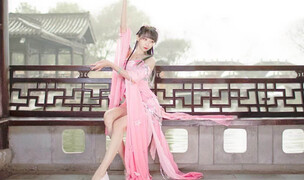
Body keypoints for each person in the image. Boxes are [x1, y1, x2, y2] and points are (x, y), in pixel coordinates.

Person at [90, 0, 234, 179]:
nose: (147, 43)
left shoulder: (150, 60)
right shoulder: (128, 53)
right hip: (131, 103)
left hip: (146, 106)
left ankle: (100, 173)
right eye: (144, 39)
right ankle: (129, 165)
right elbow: (122, 28)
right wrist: (124, 3)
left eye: (151, 41)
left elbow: (133, 77)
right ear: (138, 37)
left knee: (118, 125)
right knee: (108, 117)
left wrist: (110, 64)